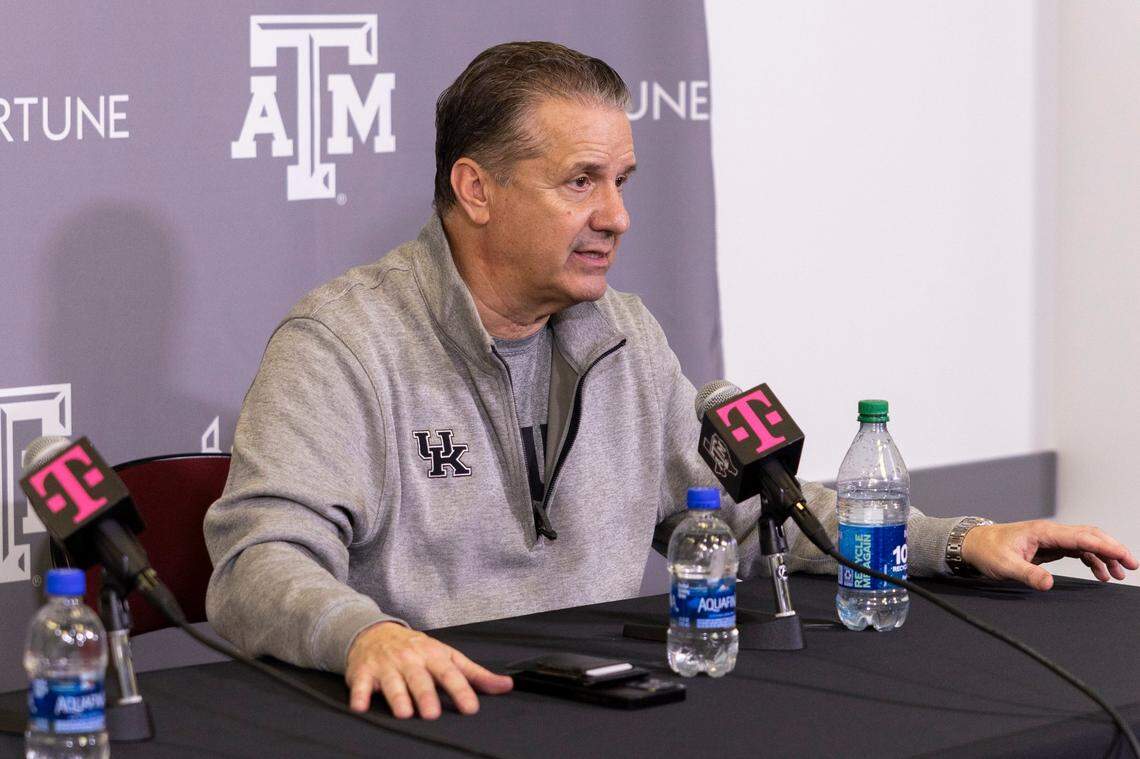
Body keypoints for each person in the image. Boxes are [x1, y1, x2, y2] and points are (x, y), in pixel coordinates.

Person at [204, 41, 1137, 722]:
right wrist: (362, 634)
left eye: (623, 180)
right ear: (477, 189)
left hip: (603, 711)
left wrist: (958, 542)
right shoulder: (343, 342)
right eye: (581, 181)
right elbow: (256, 562)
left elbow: (757, 513)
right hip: (433, 713)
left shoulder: (625, 334)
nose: (616, 215)